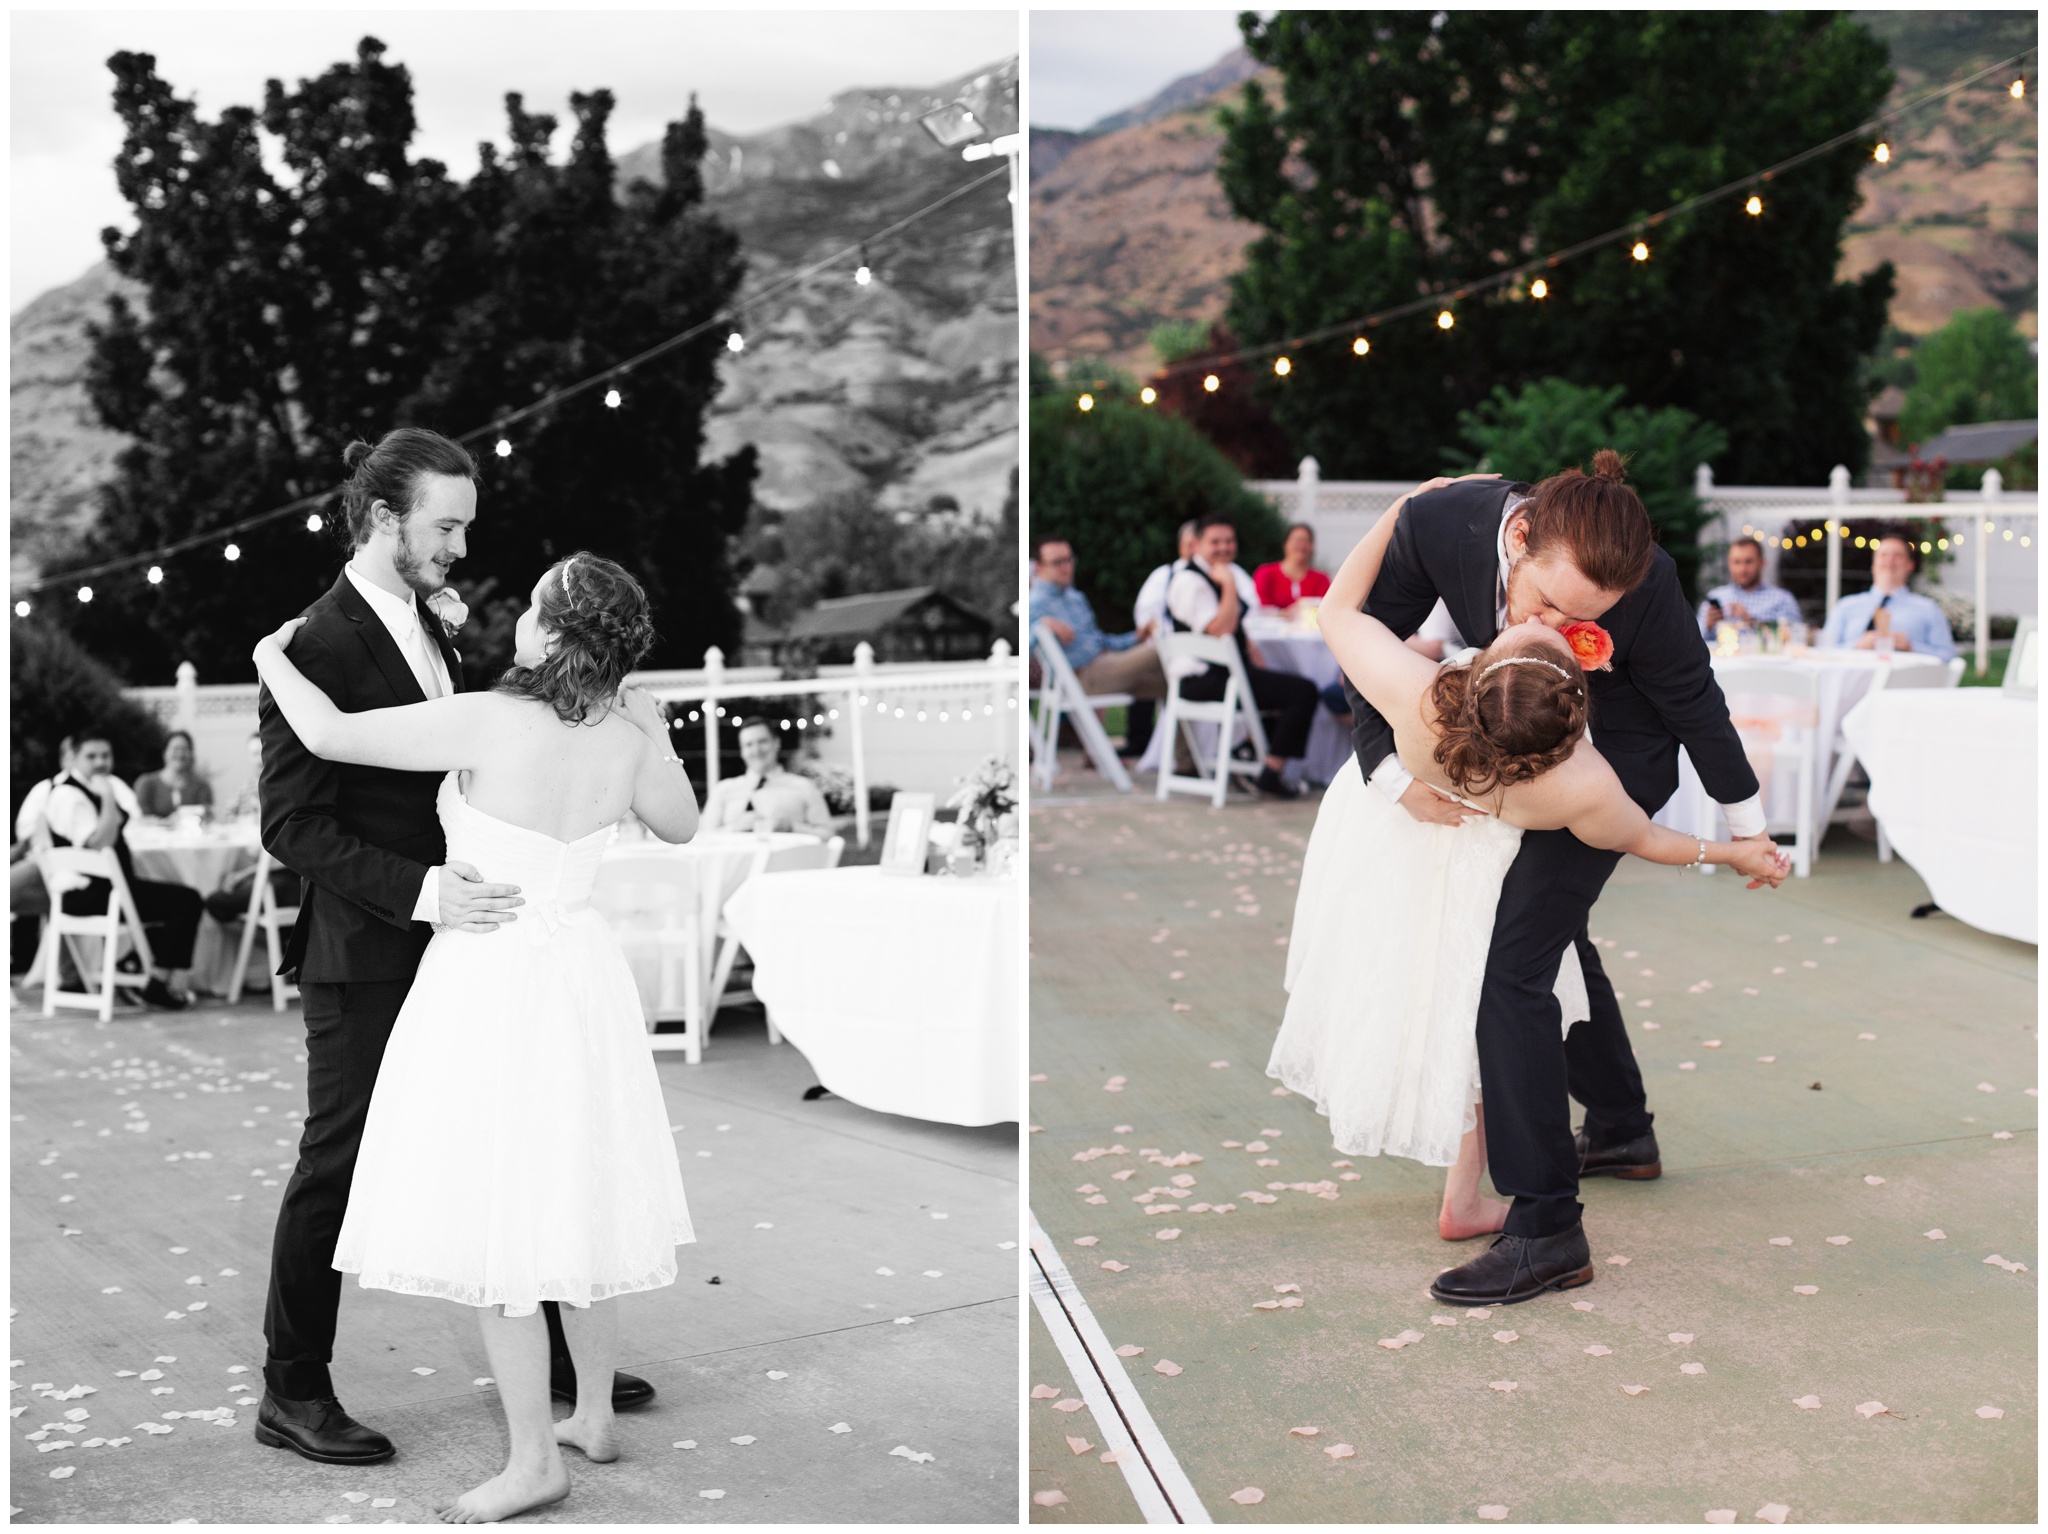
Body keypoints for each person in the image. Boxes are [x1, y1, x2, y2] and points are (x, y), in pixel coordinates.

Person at [255, 539, 698, 1524]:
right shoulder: (626, 737)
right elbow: (682, 824)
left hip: (494, 977)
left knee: (503, 1210)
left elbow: (328, 736)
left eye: (535, 605)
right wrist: (653, 725)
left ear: (552, 630)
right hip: (581, 979)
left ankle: (536, 1459)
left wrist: (273, 659)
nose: (520, 617)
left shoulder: (489, 721)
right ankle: (590, 1412)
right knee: (576, 1191)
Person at [1308, 454, 1779, 1306]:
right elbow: (1362, 640)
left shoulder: (1649, 581)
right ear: (1518, 537)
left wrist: (1748, 831)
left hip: (1612, 766)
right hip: (1498, 724)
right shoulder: (1437, 524)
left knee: (1508, 966)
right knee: (1550, 931)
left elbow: (1692, 702)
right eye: (1548, 604)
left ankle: (1547, 1228)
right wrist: (1387, 771)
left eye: (1585, 618)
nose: (1564, 629)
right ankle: (1622, 1129)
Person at [41, 732, 206, 1011]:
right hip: (92, 894)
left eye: (105, 755)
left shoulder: (92, 788)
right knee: (187, 901)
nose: (101, 762)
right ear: (74, 759)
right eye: (91, 757)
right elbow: (99, 843)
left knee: (172, 898)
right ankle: (156, 984)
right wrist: (107, 797)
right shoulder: (69, 796)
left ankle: (133, 964)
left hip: (109, 889)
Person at [1165, 514, 1321, 799]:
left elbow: (1236, 631)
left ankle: (1248, 751)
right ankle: (1270, 773)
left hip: (1229, 674)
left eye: (1229, 541)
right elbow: (1220, 629)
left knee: (1284, 687)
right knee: (1304, 692)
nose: (1224, 547)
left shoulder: (1218, 573)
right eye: (1215, 542)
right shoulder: (1191, 581)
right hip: (1205, 679)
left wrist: (1255, 656)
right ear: (1197, 544)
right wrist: (1228, 585)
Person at [1028, 535, 1168, 703]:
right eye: (1058, 562)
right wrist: (1039, 626)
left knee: (1180, 686)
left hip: (1106, 667)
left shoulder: (1076, 598)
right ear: (1038, 567)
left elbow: (1101, 641)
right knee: (1163, 647)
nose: (1067, 567)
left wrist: (1136, 637)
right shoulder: (1034, 603)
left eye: (1069, 559)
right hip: (1081, 679)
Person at [1818, 533, 1957, 660]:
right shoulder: (1845, 606)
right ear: (1873, 565)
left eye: (1898, 555)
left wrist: (1912, 648)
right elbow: (1824, 652)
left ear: (1910, 565)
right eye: (1884, 555)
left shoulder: (1928, 609)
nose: (1890, 561)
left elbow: (1948, 656)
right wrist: (1856, 647)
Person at [701, 717, 836, 834]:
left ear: (776, 743)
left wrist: (791, 827)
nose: (756, 750)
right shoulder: (723, 790)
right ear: (742, 751)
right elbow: (705, 837)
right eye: (749, 744)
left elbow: (827, 834)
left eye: (762, 742)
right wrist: (734, 829)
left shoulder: (804, 787)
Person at [1698, 536, 1802, 638]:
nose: (1742, 569)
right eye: (1737, 562)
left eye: (1748, 562)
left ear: (1762, 563)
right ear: (1729, 564)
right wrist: (1708, 626)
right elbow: (1691, 643)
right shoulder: (1716, 597)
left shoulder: (1782, 599)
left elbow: (1794, 638)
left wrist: (1749, 620)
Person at [134, 729, 216, 818]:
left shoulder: (202, 786)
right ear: (165, 752)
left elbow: (206, 816)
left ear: (191, 754)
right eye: (175, 749)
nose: (180, 754)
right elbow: (143, 818)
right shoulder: (147, 783)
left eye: (184, 749)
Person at [1253, 522, 1332, 612]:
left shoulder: (1321, 580)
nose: (1302, 545)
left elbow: (1324, 609)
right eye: (1297, 540)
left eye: (1306, 541)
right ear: (1285, 544)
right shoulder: (1266, 573)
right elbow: (1262, 606)